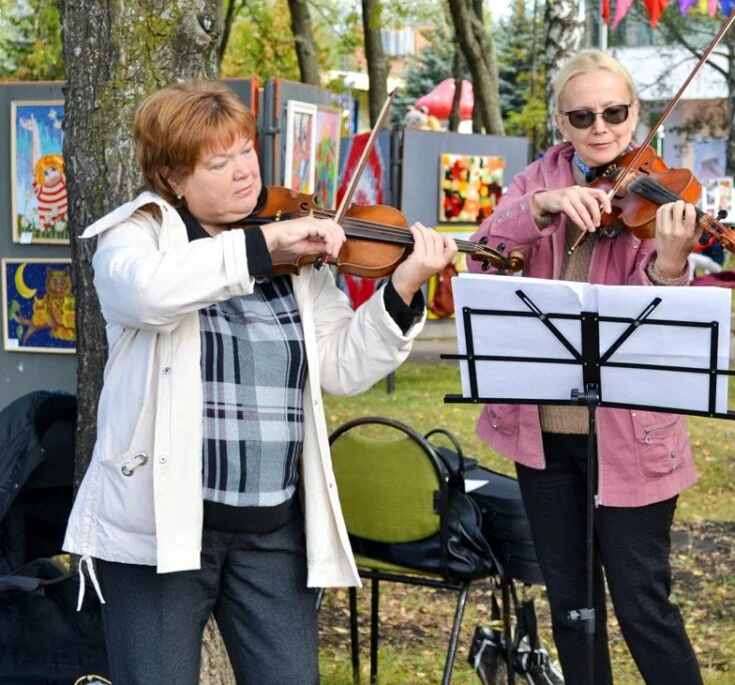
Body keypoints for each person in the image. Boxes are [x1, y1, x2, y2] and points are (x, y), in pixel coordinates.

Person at [63, 81, 457, 685]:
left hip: (273, 532)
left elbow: (341, 367)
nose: (244, 172)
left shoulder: (294, 257)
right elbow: (143, 293)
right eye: (218, 163)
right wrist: (261, 244)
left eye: (246, 150)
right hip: (162, 531)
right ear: (172, 177)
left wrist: (402, 291)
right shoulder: (137, 236)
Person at [466, 50, 705, 685]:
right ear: (561, 123)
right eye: (582, 115)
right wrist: (540, 208)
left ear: (635, 114)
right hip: (541, 437)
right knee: (573, 607)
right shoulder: (532, 184)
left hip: (632, 438)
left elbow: (661, 335)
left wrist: (671, 264)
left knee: (642, 605)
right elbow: (481, 262)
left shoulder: (656, 199)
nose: (601, 128)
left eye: (616, 112)